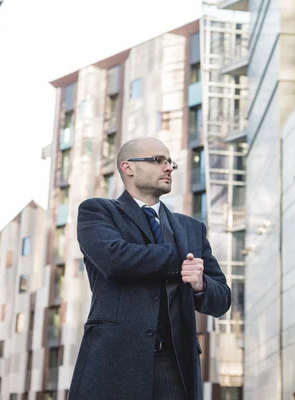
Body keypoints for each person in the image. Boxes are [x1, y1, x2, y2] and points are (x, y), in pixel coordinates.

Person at [68, 137, 231, 400]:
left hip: (175, 367)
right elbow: (116, 260)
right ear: (127, 167)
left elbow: (222, 299)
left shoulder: (192, 228)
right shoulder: (98, 211)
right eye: (158, 160)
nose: (168, 167)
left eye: (170, 162)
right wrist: (179, 259)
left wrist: (201, 285)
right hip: (114, 363)